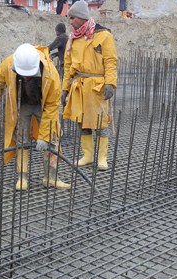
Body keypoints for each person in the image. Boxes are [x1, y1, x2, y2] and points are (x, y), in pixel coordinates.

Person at [0, 43, 70, 191]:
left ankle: (51, 177)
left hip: (43, 105)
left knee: (52, 138)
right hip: (22, 104)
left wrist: (44, 136)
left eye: (29, 74)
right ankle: (22, 177)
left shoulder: (51, 73)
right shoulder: (9, 64)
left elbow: (51, 108)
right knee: (21, 139)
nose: (25, 77)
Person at [61, 1, 118, 171]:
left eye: (72, 18)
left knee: (100, 123)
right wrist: (65, 88)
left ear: (81, 17)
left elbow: (110, 61)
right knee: (82, 122)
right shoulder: (74, 38)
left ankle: (102, 158)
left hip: (96, 87)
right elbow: (68, 66)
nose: (70, 22)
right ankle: (87, 156)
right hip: (78, 86)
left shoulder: (103, 36)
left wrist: (110, 83)